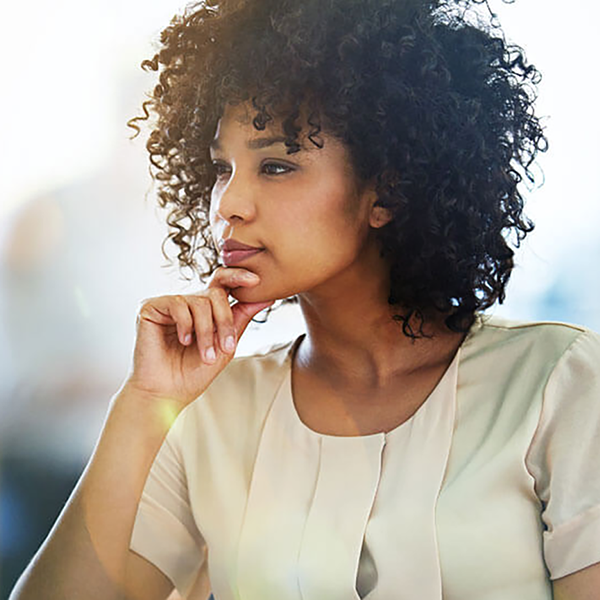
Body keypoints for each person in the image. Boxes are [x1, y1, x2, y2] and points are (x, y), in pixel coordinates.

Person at [9, 0, 600, 599]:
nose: (228, 205)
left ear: (387, 188)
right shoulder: (209, 415)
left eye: (275, 166)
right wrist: (143, 403)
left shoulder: (555, 383)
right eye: (221, 168)